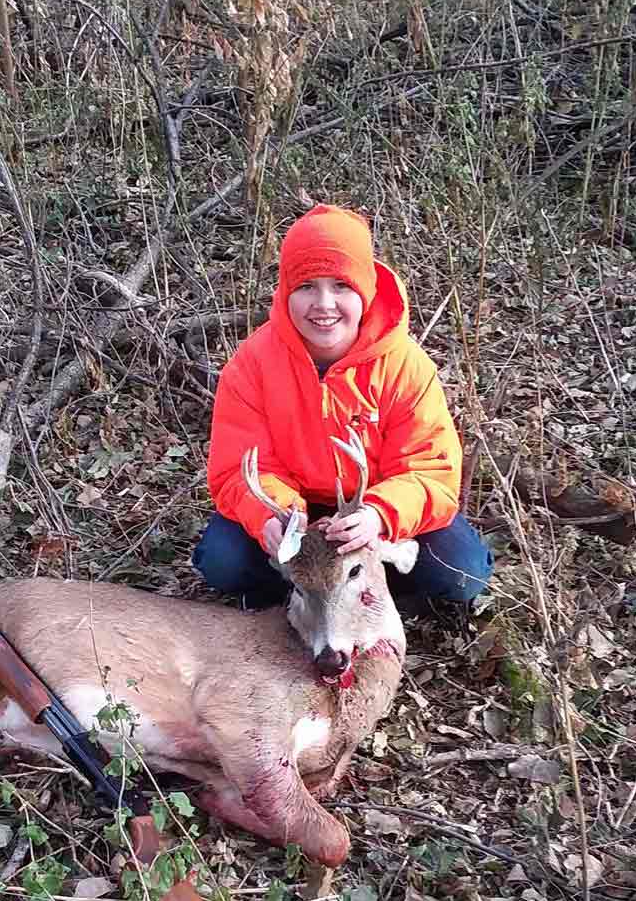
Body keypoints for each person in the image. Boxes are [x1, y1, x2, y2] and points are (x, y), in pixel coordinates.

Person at [192, 203, 493, 614]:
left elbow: (431, 472)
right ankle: (303, 595)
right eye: (305, 287)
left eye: (341, 286)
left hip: (373, 511)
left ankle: (366, 592)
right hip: (293, 512)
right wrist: (273, 517)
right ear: (284, 292)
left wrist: (380, 515)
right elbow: (236, 469)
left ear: (365, 291)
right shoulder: (252, 365)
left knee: (461, 573)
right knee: (222, 562)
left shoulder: (405, 366)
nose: (324, 304)